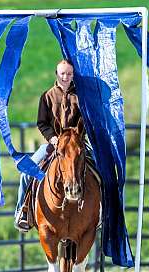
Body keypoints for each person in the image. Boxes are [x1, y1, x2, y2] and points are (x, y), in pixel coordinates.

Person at [14, 59, 87, 232]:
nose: (66, 77)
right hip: (54, 144)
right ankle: (23, 211)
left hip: (77, 144)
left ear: (73, 75)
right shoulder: (47, 96)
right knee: (26, 172)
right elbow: (42, 123)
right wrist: (53, 138)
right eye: (62, 73)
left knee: (101, 169)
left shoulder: (82, 97)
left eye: (69, 73)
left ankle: (105, 213)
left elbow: (87, 120)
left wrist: (80, 137)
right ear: (57, 74)